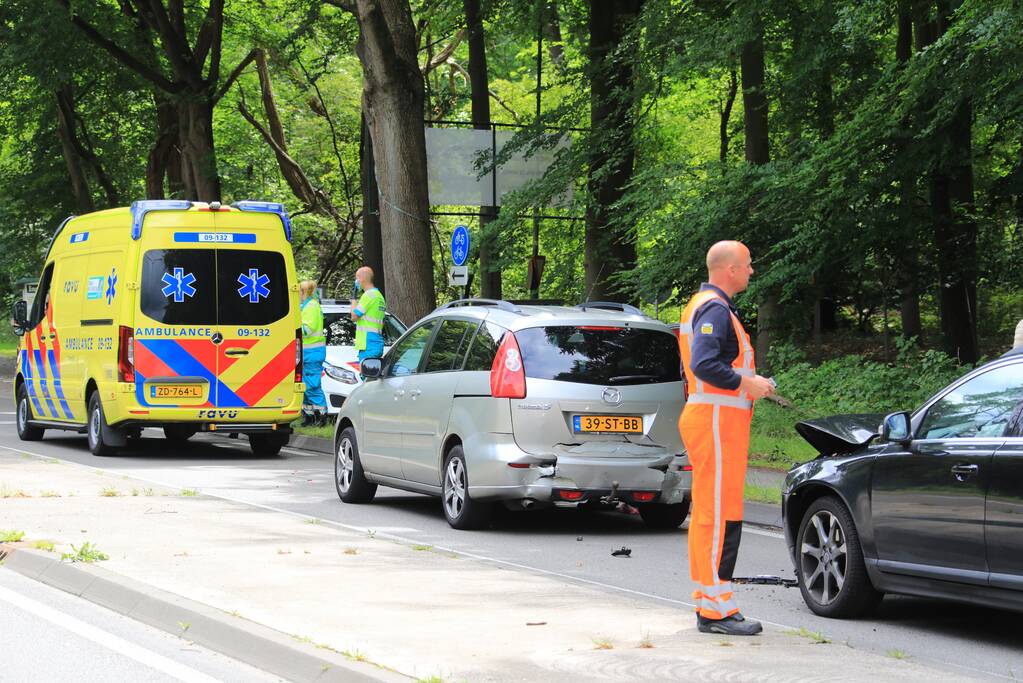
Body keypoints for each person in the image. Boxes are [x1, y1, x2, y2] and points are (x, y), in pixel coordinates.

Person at [677, 240, 775, 636]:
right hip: (716, 422)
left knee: (709, 514)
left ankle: (709, 601)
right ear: (730, 269)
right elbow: (704, 364)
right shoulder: (714, 309)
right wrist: (746, 383)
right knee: (719, 515)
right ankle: (717, 611)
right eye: (748, 265)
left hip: (713, 421)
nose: (752, 271)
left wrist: (749, 383)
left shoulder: (706, 306)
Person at [299, 280, 328, 427]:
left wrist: (291, 328)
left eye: (299, 291)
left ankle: (321, 416)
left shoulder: (311, 306)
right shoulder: (307, 305)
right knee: (304, 386)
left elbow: (307, 329)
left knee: (312, 386)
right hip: (307, 352)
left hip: (312, 352)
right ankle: (309, 416)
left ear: (304, 292)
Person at [350, 266, 386, 365]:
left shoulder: (368, 295)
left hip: (367, 343)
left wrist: (353, 298)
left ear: (362, 279)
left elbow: (354, 316)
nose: (356, 281)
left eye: (356, 278)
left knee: (366, 376)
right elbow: (382, 322)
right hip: (376, 341)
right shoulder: (379, 296)